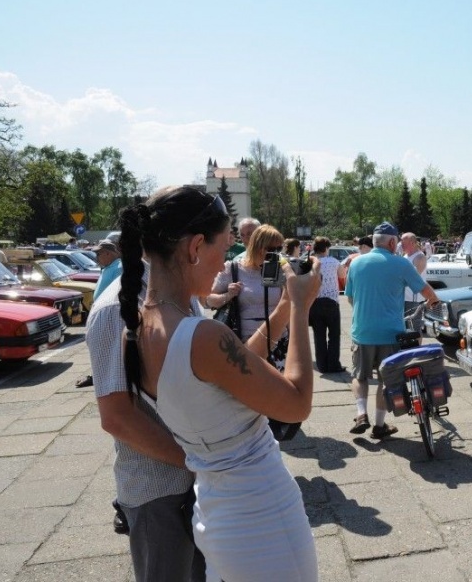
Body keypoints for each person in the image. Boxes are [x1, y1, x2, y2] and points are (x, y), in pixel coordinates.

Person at [116, 186, 321, 581]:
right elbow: (297, 403)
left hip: (216, 512)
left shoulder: (140, 325)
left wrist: (279, 308)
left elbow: (232, 368)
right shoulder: (200, 335)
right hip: (262, 517)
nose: (225, 259)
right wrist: (299, 308)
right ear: (195, 247)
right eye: (222, 246)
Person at [88, 258, 206, 579]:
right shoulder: (114, 309)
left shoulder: (182, 295)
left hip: (201, 483)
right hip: (158, 493)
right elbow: (117, 417)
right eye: (219, 245)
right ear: (193, 245)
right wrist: (194, 460)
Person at [346, 222, 440, 439]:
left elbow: (350, 297)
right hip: (391, 334)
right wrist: (434, 300)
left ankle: (361, 414)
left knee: (359, 376)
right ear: (391, 241)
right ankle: (379, 426)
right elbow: (425, 291)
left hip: (362, 331)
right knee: (385, 380)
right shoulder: (400, 264)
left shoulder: (356, 263)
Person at [204, 225, 284, 342]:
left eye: (279, 249)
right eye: (272, 249)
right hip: (244, 341)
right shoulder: (233, 268)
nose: (277, 253)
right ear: (259, 247)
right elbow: (209, 300)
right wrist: (228, 295)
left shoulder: (280, 269)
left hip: (278, 340)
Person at [76, 236, 125, 389]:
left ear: (109, 254)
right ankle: (98, 375)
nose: (96, 257)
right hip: (103, 313)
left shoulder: (118, 267)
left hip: (111, 315)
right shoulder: (109, 267)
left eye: (99, 254)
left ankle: (105, 377)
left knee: (109, 348)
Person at [309, 236, 345, 373]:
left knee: (319, 336)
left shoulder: (311, 262)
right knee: (334, 335)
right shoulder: (334, 261)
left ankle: (322, 365)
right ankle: (333, 364)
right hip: (331, 301)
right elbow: (342, 275)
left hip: (315, 302)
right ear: (327, 248)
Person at [401, 232, 428, 312]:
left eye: (403, 243)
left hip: (414, 299)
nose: (401, 245)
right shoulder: (405, 256)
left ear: (412, 243)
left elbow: (413, 277)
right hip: (404, 298)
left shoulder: (420, 257)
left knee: (413, 323)